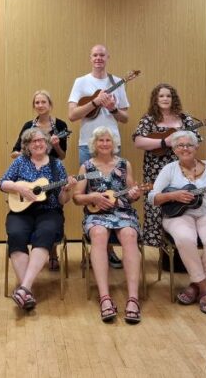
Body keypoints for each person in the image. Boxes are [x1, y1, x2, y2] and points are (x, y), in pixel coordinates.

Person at [148, 131, 206, 315]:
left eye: (189, 145)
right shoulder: (169, 169)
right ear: (174, 150)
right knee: (185, 238)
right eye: (180, 146)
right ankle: (205, 290)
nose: (185, 148)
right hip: (178, 215)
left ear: (196, 147)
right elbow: (152, 198)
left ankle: (196, 285)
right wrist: (172, 195)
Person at [0, 128, 76, 311]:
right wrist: (21, 189)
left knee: (46, 233)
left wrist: (66, 190)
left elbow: (62, 201)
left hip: (49, 211)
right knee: (16, 234)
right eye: (33, 141)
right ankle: (28, 291)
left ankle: (24, 288)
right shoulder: (20, 161)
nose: (38, 143)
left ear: (47, 143)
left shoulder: (56, 165)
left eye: (41, 140)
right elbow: (2, 183)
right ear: (26, 145)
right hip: (21, 212)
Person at [72, 126, 142, 323]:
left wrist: (135, 193)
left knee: (129, 235)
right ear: (94, 144)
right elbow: (77, 198)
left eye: (108, 140)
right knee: (99, 234)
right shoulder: (86, 167)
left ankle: (133, 298)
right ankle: (105, 298)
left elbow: (131, 193)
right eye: (100, 140)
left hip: (122, 211)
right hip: (96, 215)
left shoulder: (124, 164)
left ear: (114, 144)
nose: (104, 144)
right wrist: (91, 196)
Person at [68, 44, 129, 269]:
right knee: (89, 193)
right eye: (95, 55)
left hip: (112, 146)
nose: (98, 58)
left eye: (102, 55)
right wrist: (95, 102)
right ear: (90, 57)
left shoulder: (117, 82)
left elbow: (124, 119)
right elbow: (72, 115)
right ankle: (95, 244)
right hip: (87, 145)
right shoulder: (81, 82)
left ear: (108, 57)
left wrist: (112, 108)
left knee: (111, 193)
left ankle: (108, 248)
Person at [133, 83, 202, 250]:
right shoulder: (149, 118)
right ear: (155, 99)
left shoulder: (185, 118)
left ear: (174, 99)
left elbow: (197, 140)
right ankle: (161, 247)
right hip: (155, 168)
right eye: (161, 96)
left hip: (182, 167)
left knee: (180, 200)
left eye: (168, 96)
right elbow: (138, 141)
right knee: (158, 200)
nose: (165, 99)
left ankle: (181, 243)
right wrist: (165, 142)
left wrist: (183, 144)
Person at [11, 90, 69, 271]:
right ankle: (27, 259)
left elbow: (63, 156)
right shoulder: (28, 125)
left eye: (44, 102)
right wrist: (25, 155)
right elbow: (14, 151)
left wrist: (56, 145)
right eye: (37, 102)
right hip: (30, 171)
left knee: (50, 212)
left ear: (50, 105)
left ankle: (51, 253)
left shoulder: (60, 125)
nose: (40, 105)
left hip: (51, 171)